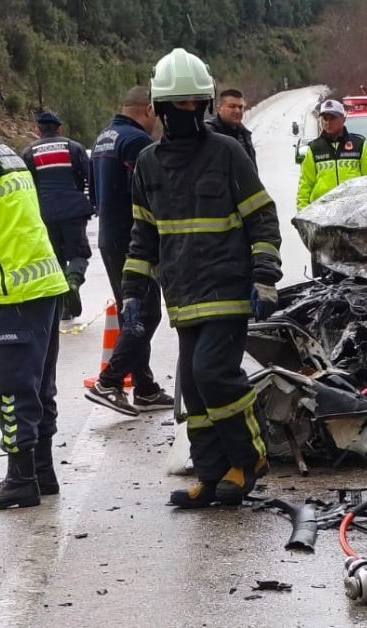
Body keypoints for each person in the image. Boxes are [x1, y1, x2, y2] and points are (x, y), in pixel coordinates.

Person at [121, 48, 282, 508]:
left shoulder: (227, 153)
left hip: (228, 289)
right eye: (177, 104)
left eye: (193, 103)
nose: (185, 112)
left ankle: (248, 459)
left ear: (204, 104)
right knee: (192, 386)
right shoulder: (149, 165)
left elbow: (262, 219)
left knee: (213, 372)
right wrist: (133, 291)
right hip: (183, 294)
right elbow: (143, 236)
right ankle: (212, 475)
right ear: (161, 107)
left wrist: (264, 274)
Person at [0, 91, 69, 510]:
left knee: (11, 389)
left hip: (13, 290)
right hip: (40, 284)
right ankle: (43, 472)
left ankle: (21, 480)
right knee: (39, 386)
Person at [85, 86, 174, 416]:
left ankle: (145, 387)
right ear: (148, 110)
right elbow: (148, 193)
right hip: (135, 241)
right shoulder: (136, 142)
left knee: (132, 312)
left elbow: (93, 194)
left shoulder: (104, 138)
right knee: (145, 314)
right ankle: (109, 382)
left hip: (110, 238)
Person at [20, 110, 93, 320]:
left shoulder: (28, 153)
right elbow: (89, 177)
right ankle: (73, 282)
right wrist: (92, 203)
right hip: (74, 211)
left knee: (55, 257)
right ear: (59, 128)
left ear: (37, 130)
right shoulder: (74, 147)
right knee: (79, 254)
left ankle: (64, 307)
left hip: (45, 213)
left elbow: (27, 186)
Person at [296, 99, 367, 209]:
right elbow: (305, 185)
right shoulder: (314, 148)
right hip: (321, 212)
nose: (327, 122)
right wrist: (302, 213)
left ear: (343, 119)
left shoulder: (359, 145)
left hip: (354, 210)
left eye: (332, 118)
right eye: (325, 118)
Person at [205, 88, 257, 167]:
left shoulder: (244, 135)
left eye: (240, 107)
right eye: (232, 106)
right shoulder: (208, 134)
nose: (237, 111)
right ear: (219, 109)